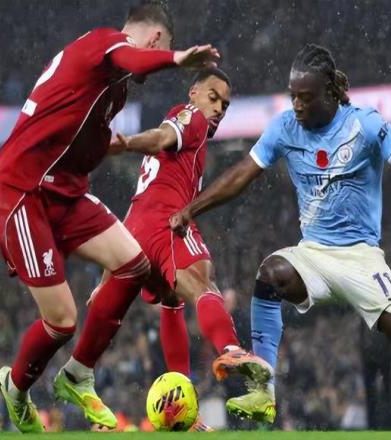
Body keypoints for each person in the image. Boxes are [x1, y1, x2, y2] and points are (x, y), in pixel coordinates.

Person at [170, 44, 391, 426]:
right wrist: (191, 209)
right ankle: (264, 391)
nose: (297, 105)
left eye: (306, 97)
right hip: (313, 254)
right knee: (270, 274)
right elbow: (240, 176)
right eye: (293, 96)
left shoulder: (364, 125)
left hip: (361, 256)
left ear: (330, 92)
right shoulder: (285, 127)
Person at [0, 2, 219, 433]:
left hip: (63, 191)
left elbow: (68, 136)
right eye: (162, 46)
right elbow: (132, 57)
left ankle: (78, 374)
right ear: (154, 38)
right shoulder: (104, 43)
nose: (153, 63)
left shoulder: (115, 90)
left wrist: (118, 145)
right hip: (25, 193)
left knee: (133, 264)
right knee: (62, 320)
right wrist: (177, 59)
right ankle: (15, 389)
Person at [54, 67, 272, 431]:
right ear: (194, 94)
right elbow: (160, 138)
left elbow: (135, 206)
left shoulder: (186, 147)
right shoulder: (191, 117)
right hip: (165, 222)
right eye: (213, 98)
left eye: (225, 105)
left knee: (172, 301)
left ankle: (179, 408)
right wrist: (126, 143)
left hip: (135, 230)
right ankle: (231, 348)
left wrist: (109, 270)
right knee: (204, 285)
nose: (219, 109)